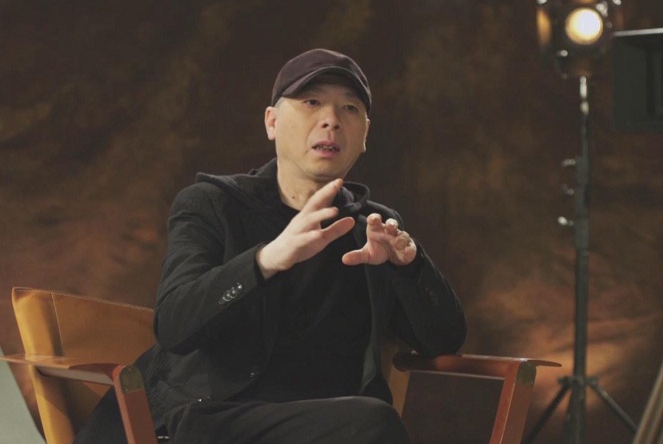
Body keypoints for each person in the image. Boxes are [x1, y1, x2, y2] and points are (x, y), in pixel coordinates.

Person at [75, 48, 467, 444]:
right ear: (272, 122)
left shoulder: (373, 228)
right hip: (210, 422)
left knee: (367, 422)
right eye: (311, 102)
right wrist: (266, 260)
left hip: (323, 428)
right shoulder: (213, 204)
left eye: (349, 108)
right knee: (374, 423)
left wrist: (410, 268)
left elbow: (443, 341)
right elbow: (175, 325)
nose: (331, 120)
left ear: (364, 135)